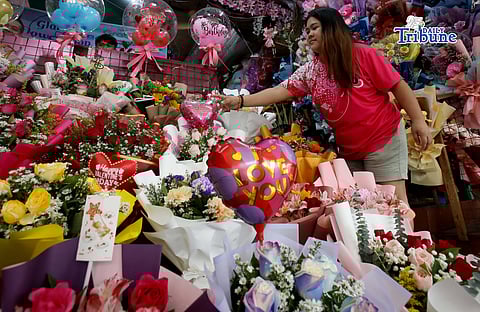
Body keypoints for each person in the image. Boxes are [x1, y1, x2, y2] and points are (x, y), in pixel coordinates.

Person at [220, 7, 432, 206]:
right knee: (361, 206)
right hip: (350, 150)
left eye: (315, 28)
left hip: (383, 140)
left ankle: (409, 244)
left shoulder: (364, 55)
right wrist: (240, 101)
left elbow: (398, 85)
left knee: (394, 204)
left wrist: (419, 121)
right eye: (307, 30)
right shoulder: (311, 71)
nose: (310, 34)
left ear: (332, 28)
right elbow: (279, 91)